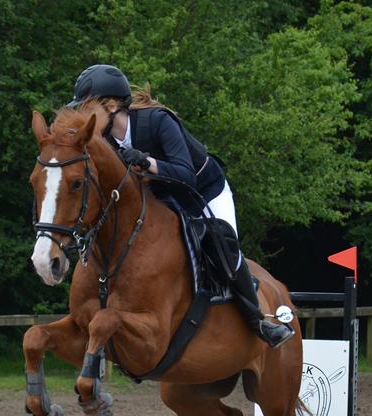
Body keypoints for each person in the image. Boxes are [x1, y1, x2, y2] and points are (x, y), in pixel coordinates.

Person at [67, 64, 294, 348]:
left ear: (111, 106)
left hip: (204, 191)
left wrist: (146, 161)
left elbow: (185, 174)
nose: (81, 113)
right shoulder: (105, 139)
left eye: (86, 106)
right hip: (164, 194)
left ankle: (258, 320)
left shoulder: (157, 121)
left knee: (222, 243)